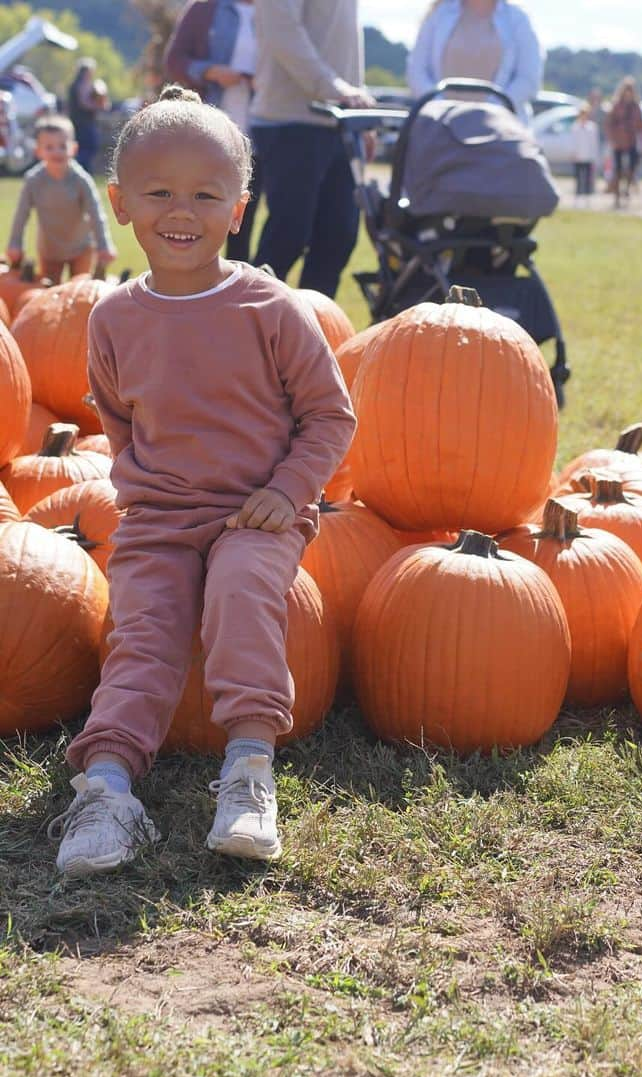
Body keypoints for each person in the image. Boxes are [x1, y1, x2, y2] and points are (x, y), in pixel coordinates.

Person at [47, 86, 356, 877]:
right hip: (157, 518)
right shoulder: (113, 318)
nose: (180, 210)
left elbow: (330, 415)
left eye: (205, 194)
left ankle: (249, 768)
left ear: (239, 208)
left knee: (242, 592)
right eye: (158, 192)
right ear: (119, 203)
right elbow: (119, 420)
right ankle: (109, 784)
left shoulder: (270, 308)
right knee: (141, 635)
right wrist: (143, 490)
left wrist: (290, 492)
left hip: (257, 513)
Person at [249, 0, 373, 297]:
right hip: (289, 121)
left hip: (339, 122)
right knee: (288, 235)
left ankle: (313, 332)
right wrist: (335, 88)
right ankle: (244, 324)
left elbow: (344, 46)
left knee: (338, 236)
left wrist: (358, 106)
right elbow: (283, 31)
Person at [164, 0, 261, 262]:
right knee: (203, 209)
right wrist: (209, 71)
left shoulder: (276, 13)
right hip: (211, 134)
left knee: (245, 216)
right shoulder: (204, 9)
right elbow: (175, 60)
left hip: (264, 131)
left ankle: (240, 287)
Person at [6, 115, 116, 282]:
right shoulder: (33, 180)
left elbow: (96, 213)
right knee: (50, 292)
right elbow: (21, 215)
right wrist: (15, 243)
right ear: (38, 151)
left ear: (74, 148)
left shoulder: (81, 180)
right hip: (50, 250)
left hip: (81, 248)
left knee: (80, 290)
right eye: (49, 147)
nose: (57, 151)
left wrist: (104, 245)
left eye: (62, 146)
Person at [407, 0, 543, 119]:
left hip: (500, 133)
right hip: (440, 130)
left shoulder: (517, 18)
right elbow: (416, 71)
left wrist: (487, 112)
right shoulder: (439, 14)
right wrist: (441, 106)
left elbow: (528, 80)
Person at [605, 76, 642, 209]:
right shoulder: (617, 106)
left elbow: (641, 126)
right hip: (618, 142)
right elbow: (610, 124)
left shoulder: (635, 107)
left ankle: (627, 189)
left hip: (631, 141)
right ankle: (616, 196)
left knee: (632, 167)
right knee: (617, 170)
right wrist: (612, 138)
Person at [67, 58, 110, 175]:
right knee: (89, 146)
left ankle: (80, 170)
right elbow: (84, 103)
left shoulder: (76, 84)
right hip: (83, 122)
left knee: (85, 148)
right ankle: (80, 170)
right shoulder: (82, 84)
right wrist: (98, 105)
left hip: (79, 122)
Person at [570, 104, 599, 206]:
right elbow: (573, 142)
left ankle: (587, 199)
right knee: (578, 178)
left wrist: (594, 157)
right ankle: (577, 198)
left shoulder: (592, 127)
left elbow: (594, 143)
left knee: (587, 179)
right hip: (578, 156)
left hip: (588, 157)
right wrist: (573, 153)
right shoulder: (575, 126)